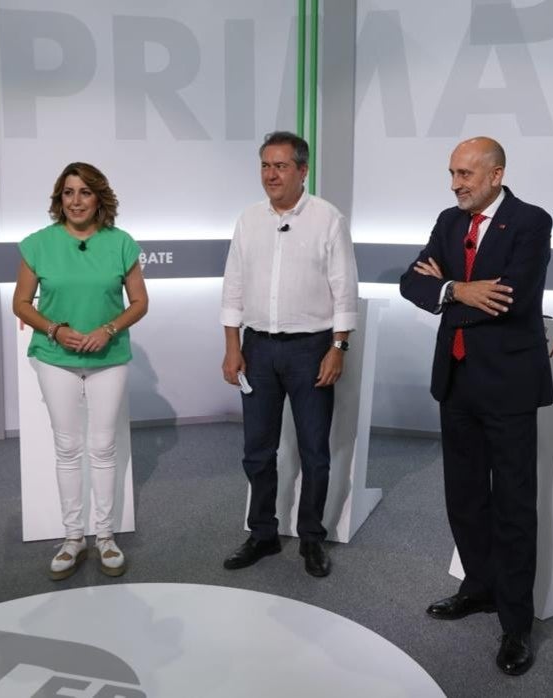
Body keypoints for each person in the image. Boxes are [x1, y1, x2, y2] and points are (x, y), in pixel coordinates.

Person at [398, 137, 553, 676]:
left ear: (496, 174)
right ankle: (480, 587)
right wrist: (459, 291)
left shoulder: (531, 221)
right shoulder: (448, 222)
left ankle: (516, 623)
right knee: (464, 498)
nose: (455, 184)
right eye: (452, 173)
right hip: (457, 380)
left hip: (508, 385)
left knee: (513, 505)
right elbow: (410, 283)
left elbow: (511, 296)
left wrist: (445, 289)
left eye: (465, 174)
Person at [219, 131, 359, 578]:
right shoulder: (248, 220)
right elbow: (233, 286)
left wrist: (338, 348)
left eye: (280, 166)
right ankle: (262, 533)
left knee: (315, 451)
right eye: (265, 165)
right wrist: (232, 346)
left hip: (311, 349)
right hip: (257, 348)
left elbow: (344, 290)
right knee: (257, 450)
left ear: (303, 170)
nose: (271, 175)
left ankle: (312, 538)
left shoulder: (328, 219)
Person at [13, 162, 149, 581]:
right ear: (60, 199)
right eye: (68, 192)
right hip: (55, 357)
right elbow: (21, 304)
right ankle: (73, 538)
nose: (76, 201)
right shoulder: (37, 244)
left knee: (103, 447)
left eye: (85, 192)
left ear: (98, 198)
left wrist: (108, 330)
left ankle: (105, 536)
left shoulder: (121, 243)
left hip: (109, 358)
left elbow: (139, 302)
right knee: (67, 447)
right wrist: (55, 329)